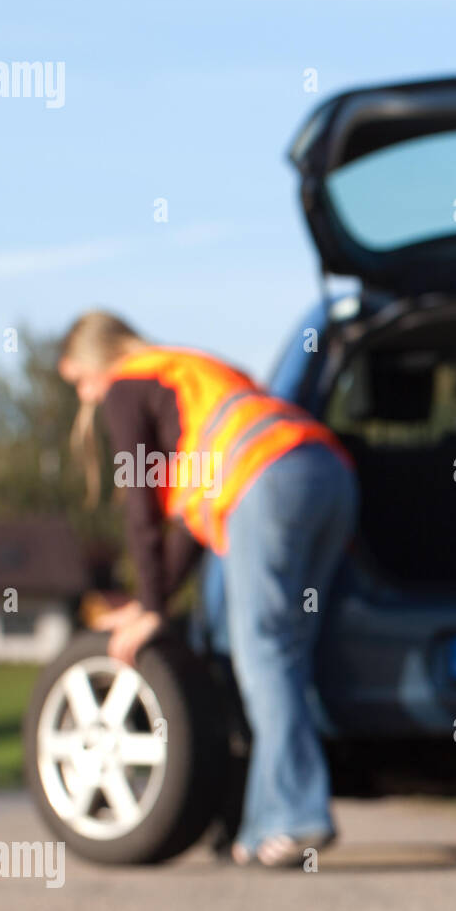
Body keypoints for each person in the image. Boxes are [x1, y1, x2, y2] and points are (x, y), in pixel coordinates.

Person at [58, 311, 358, 868]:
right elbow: (192, 523)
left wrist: (148, 607)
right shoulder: (190, 369)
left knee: (262, 652)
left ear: (98, 361)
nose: (88, 397)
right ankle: (263, 827)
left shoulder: (128, 383)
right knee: (282, 655)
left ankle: (297, 817)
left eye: (79, 381)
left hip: (266, 480)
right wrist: (157, 604)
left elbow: (141, 503)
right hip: (326, 473)